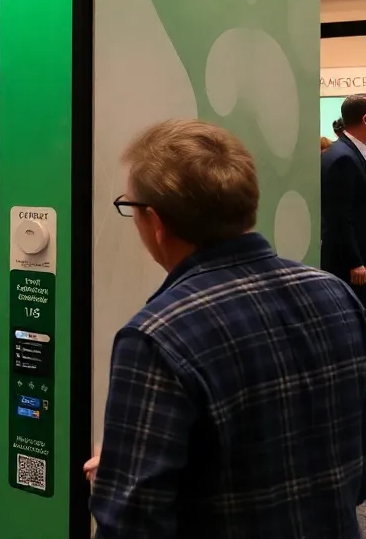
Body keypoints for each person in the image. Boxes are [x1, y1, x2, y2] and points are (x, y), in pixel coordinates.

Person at [89, 119, 366, 537]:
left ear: (156, 223)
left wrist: (117, 475)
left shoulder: (156, 336)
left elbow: (132, 523)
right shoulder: (336, 294)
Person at [322, 95, 366, 297]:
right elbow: (338, 216)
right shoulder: (343, 158)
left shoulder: (348, 152)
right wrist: (354, 262)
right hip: (352, 266)